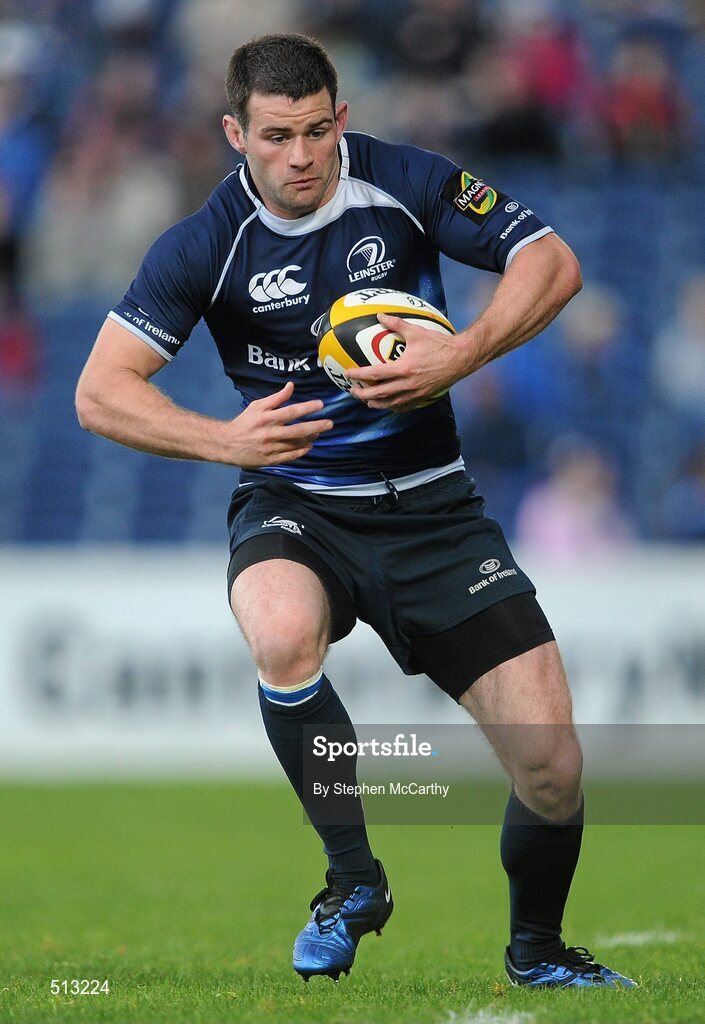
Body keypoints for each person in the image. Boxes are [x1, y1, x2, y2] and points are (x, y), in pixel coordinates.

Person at [75, 33, 636, 990]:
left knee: (553, 771)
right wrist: (225, 439)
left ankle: (537, 954)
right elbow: (99, 391)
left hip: (435, 513)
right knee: (282, 634)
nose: (300, 156)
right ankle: (352, 883)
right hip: (299, 506)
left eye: (317, 131)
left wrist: (460, 354)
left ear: (342, 117)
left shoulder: (405, 181)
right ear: (234, 134)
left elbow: (551, 262)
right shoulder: (205, 245)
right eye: (276, 137)